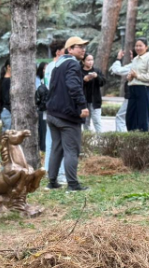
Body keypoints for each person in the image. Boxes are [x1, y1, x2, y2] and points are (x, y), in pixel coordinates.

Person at [45, 36, 90, 192]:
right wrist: (82, 106)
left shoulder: (58, 65)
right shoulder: (72, 64)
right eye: (79, 46)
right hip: (67, 115)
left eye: (84, 47)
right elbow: (73, 86)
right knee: (72, 149)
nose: (83, 49)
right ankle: (72, 184)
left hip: (52, 113)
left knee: (56, 148)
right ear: (69, 49)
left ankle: (52, 182)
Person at [44, 39, 67, 184]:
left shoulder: (49, 67)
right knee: (61, 142)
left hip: (49, 107)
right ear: (58, 51)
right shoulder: (58, 67)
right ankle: (61, 173)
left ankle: (49, 170)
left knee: (50, 141)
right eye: (65, 49)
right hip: (59, 108)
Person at [125, 38, 149, 132]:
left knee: (142, 116)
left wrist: (137, 76)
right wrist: (129, 77)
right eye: (136, 46)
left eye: (140, 46)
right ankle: (131, 136)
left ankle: (143, 138)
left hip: (144, 89)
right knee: (130, 116)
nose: (138, 48)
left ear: (146, 47)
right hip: (133, 89)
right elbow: (132, 73)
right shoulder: (135, 59)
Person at [109, 49, 135, 132]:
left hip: (131, 95)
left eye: (131, 54)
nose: (130, 56)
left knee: (120, 117)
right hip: (138, 95)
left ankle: (121, 138)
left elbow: (117, 70)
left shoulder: (134, 65)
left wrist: (118, 58)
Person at [81, 54, 105, 133]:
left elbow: (103, 82)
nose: (91, 62)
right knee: (85, 122)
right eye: (88, 60)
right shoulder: (80, 71)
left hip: (95, 101)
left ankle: (100, 140)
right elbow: (76, 85)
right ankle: (87, 139)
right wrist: (84, 80)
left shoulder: (97, 71)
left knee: (97, 121)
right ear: (83, 61)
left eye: (92, 60)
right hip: (84, 102)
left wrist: (96, 76)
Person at [35, 62, 49, 152]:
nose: (46, 71)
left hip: (47, 108)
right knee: (42, 130)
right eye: (44, 69)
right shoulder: (37, 79)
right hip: (40, 109)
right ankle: (42, 148)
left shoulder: (47, 79)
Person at [0, 58, 12, 133]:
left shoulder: (5, 80)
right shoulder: (7, 81)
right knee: (7, 138)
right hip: (7, 112)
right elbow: (7, 98)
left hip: (5, 111)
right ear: (8, 67)